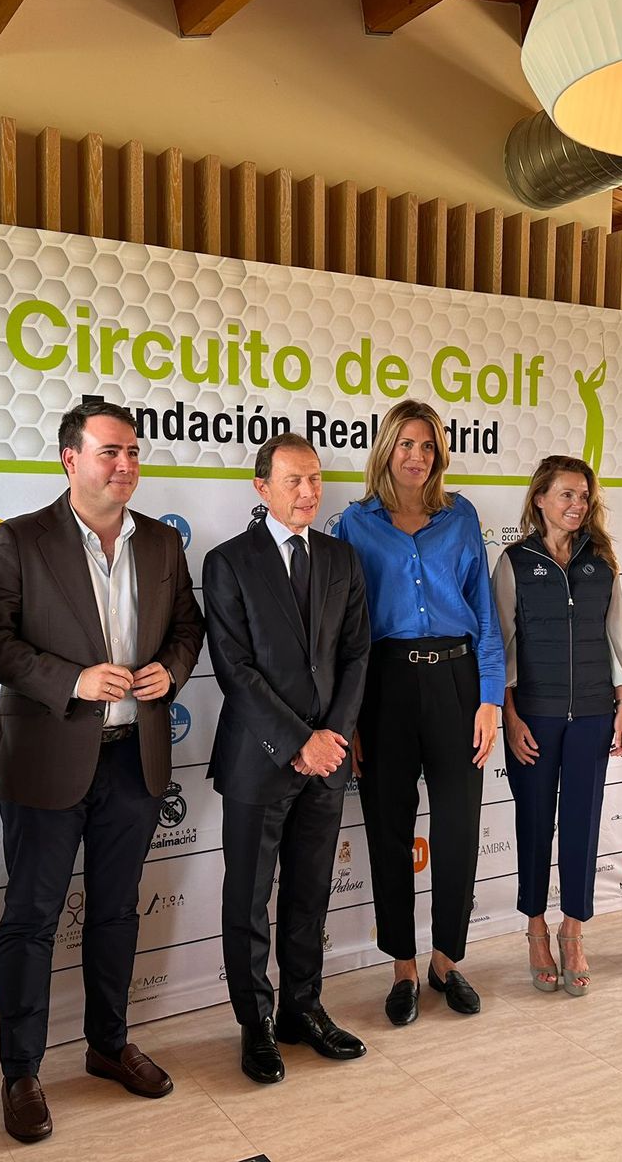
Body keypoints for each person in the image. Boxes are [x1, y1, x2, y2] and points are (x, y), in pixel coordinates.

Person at [0, 399, 204, 1143]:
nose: (126, 465)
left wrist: (171, 669)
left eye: (133, 452)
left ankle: (108, 1045)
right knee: (31, 919)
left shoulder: (163, 544)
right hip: (46, 761)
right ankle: (21, 1073)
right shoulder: (20, 539)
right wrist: (70, 679)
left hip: (134, 762)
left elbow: (188, 627)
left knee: (114, 912)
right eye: (110, 452)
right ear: (70, 459)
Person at [203, 433, 372, 1084]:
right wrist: (296, 740)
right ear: (261, 487)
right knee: (247, 899)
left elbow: (357, 655)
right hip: (258, 759)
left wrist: (329, 736)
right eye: (294, 480)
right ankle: (256, 1024)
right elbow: (234, 669)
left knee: (309, 895)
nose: (308, 491)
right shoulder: (228, 563)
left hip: (328, 761)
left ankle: (303, 1009)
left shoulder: (342, 559)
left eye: (315, 479)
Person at [331, 399, 504, 1026]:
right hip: (385, 686)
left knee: (459, 825)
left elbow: (483, 611)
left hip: (457, 680)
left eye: (428, 446)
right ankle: (402, 966)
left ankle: (446, 961)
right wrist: (346, 714)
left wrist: (489, 698)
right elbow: (345, 631)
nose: (417, 456)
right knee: (388, 827)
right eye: (406, 444)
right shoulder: (355, 523)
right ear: (386, 449)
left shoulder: (460, 517)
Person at [493, 456, 622, 997]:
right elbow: (501, 644)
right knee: (534, 824)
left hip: (594, 714)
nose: (576, 505)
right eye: (565, 495)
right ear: (539, 498)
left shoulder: (600, 559)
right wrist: (508, 717)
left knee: (582, 824)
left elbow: (616, 637)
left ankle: (573, 931)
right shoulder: (514, 561)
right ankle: (535, 930)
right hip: (532, 715)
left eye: (583, 496)